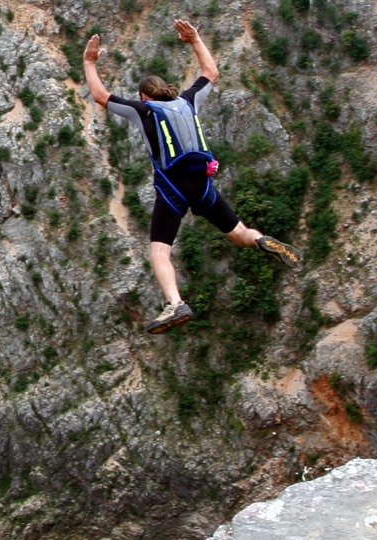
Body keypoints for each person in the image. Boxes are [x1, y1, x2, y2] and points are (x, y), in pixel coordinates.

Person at [83, 19, 302, 334]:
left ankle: (175, 302)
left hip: (173, 190)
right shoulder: (188, 101)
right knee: (239, 234)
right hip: (203, 184)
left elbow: (101, 96)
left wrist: (90, 62)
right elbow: (211, 74)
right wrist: (195, 40)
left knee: (159, 251)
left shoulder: (144, 111)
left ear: (144, 97)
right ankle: (260, 239)